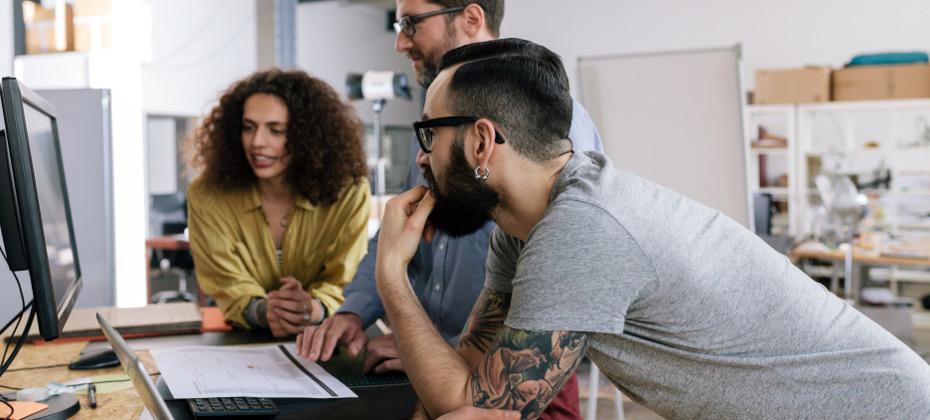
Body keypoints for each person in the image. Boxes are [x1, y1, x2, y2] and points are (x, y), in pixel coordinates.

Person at [325, 38, 930, 419]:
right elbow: (461, 387)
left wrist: (392, 279)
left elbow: (478, 413)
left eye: (429, 133)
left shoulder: (581, 230)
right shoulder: (524, 224)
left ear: (483, 140)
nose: (422, 157)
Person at [297, 1, 599, 418]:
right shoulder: (447, 139)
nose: (401, 41)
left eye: (410, 23)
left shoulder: (559, 157)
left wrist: (419, 332)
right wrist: (362, 310)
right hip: (445, 369)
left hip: (514, 377)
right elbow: (403, 228)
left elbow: (553, 301)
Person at [186, 69, 371, 337]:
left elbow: (344, 279)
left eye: (276, 130)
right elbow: (227, 284)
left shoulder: (349, 193)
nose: (257, 143)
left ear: (307, 136)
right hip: (243, 342)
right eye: (248, 128)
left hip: (328, 336)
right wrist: (264, 311)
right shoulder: (207, 194)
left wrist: (313, 309)